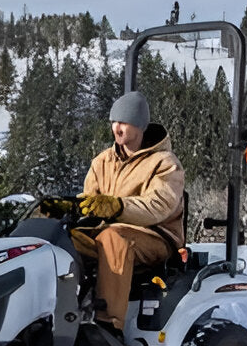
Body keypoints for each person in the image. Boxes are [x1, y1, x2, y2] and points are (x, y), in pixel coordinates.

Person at [71, 91, 185, 331]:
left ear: (140, 125)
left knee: (114, 238)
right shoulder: (102, 161)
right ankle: (61, 315)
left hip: (155, 237)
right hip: (106, 232)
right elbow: (90, 200)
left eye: (124, 122)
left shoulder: (165, 163)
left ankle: (108, 326)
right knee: (64, 240)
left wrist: (118, 206)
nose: (117, 128)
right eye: (114, 121)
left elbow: (159, 206)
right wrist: (72, 209)